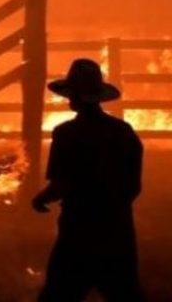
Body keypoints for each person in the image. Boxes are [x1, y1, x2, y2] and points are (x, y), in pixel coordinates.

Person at [33, 58, 144, 301]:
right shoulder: (123, 132)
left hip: (78, 231)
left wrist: (40, 199)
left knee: (58, 294)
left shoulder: (66, 134)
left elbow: (61, 184)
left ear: (73, 96)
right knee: (126, 294)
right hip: (117, 230)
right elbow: (134, 186)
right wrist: (115, 206)